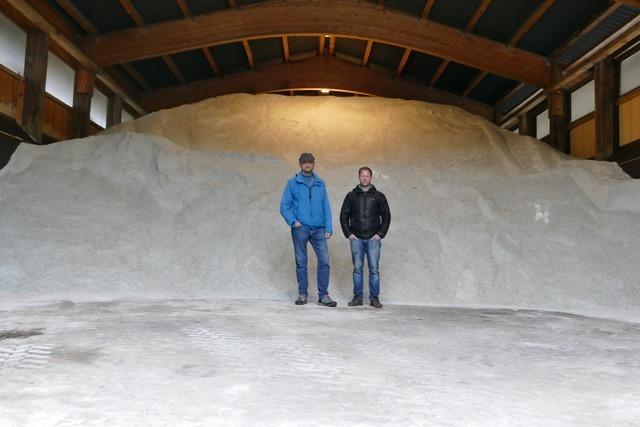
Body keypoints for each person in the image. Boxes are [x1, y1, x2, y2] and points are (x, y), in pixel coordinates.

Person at [280, 153, 337, 307]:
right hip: (301, 228)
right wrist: (293, 222)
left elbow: (326, 206)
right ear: (300, 164)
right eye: (304, 162)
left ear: (313, 164)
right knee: (301, 262)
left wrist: (329, 226)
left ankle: (323, 295)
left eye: (310, 162)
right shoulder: (292, 183)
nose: (307, 164)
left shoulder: (320, 183)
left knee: (324, 261)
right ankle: (303, 294)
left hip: (319, 229)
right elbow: (284, 206)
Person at [339, 166, 391, 308]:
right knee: (357, 268)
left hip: (373, 239)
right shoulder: (351, 196)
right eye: (362, 175)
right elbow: (344, 216)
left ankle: (374, 298)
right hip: (357, 239)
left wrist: (380, 234)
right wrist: (349, 234)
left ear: (371, 177)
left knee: (374, 269)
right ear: (359, 177)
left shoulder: (379, 196)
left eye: (367, 175)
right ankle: (357, 297)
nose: (365, 178)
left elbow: (386, 216)